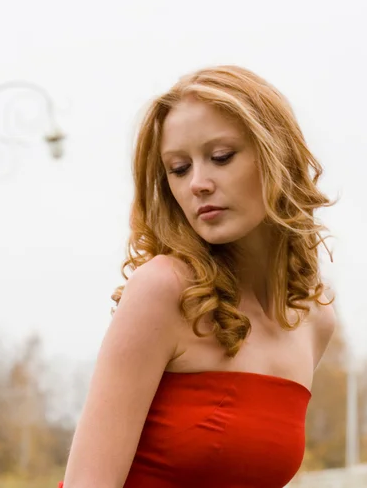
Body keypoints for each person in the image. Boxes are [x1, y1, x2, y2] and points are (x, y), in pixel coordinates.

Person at [60, 65, 337, 488]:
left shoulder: (313, 319)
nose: (198, 184)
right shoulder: (164, 289)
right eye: (178, 168)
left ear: (277, 155)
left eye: (221, 157)